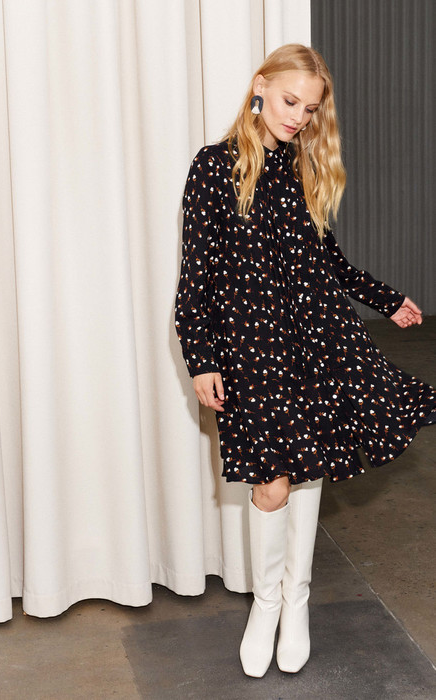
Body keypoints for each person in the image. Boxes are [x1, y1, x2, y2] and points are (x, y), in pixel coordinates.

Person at [174, 44, 436, 678]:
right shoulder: (214, 167)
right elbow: (196, 275)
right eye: (290, 101)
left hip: (314, 340)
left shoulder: (303, 169)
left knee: (306, 468)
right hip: (249, 351)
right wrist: (201, 357)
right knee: (270, 483)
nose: (298, 116)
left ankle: (298, 602)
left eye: (310, 109)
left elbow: (328, 263)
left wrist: (385, 297)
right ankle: (266, 604)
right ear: (260, 86)